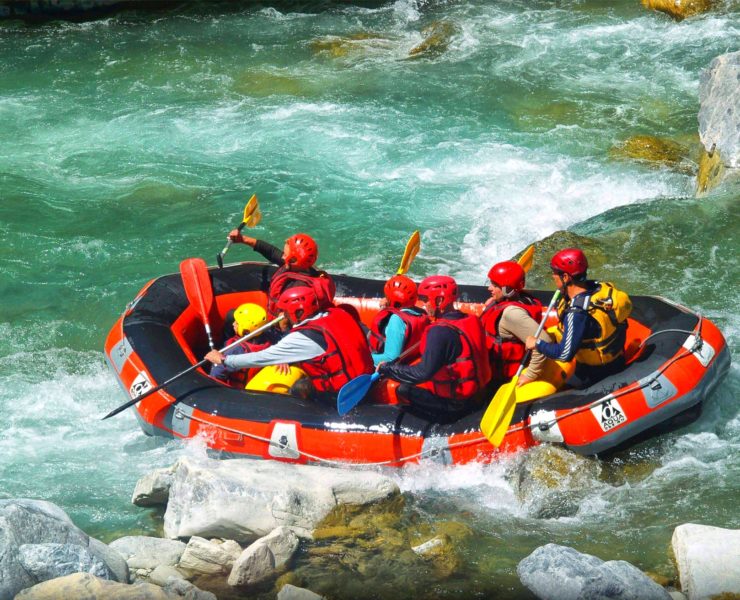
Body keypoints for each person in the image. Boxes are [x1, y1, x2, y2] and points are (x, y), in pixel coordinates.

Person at [205, 286, 373, 396]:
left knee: (295, 391)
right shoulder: (337, 314)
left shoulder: (304, 337)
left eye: (285, 312)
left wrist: (225, 360)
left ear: (298, 313)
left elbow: (262, 358)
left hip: (340, 394)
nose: (282, 316)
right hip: (364, 379)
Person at [377, 275, 491, 422]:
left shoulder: (438, 332)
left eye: (425, 300)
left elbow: (421, 373)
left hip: (455, 406)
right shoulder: (471, 319)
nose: (423, 305)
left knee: (402, 389)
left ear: (439, 300)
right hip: (479, 395)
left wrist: (387, 369)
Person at [526, 248, 632, 389]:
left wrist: (537, 344)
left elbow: (564, 354)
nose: (553, 276)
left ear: (566, 277)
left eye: (555, 273)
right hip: (617, 359)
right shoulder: (597, 288)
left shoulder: (576, 313)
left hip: (596, 374)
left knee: (560, 393)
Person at [226, 230, 335, 318]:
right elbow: (271, 252)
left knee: (232, 317)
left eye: (285, 255)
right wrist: (243, 239)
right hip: (279, 321)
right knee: (232, 314)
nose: (282, 256)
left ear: (293, 260)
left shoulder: (298, 289)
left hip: (281, 332)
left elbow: (289, 323)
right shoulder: (300, 266)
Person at [480, 261, 552, 387]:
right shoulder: (519, 298)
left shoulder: (512, 314)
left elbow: (544, 341)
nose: (489, 288)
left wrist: (531, 374)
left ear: (507, 289)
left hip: (504, 378)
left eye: (494, 285)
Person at [368, 275, 429, 366]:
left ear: (395, 301)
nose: (385, 298)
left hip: (386, 366)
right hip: (411, 357)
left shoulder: (397, 320)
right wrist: (385, 307)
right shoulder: (422, 313)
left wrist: (365, 357)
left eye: (387, 297)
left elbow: (390, 358)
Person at [209, 303, 271, 387]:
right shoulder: (268, 338)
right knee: (231, 314)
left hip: (236, 386)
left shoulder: (235, 350)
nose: (233, 323)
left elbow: (216, 374)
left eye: (237, 323)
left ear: (246, 330)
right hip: (251, 378)